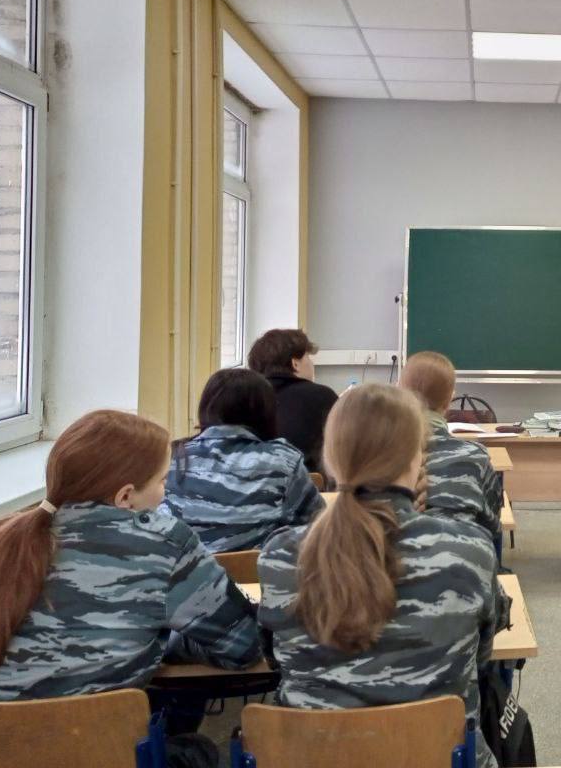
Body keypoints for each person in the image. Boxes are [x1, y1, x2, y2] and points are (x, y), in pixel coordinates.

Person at [0, 410, 261, 768]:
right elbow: (242, 646)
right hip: (96, 753)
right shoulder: (166, 543)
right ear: (125, 496)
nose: (164, 491)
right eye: (161, 481)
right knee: (197, 749)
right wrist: (159, 642)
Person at [257, 384, 499, 767]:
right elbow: (482, 655)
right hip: (437, 756)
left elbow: (273, 656)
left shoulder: (282, 556)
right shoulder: (469, 550)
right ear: (416, 458)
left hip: (311, 757)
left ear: (331, 459)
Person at [161, 368, 324, 553]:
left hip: (183, 568)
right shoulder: (283, 460)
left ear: (206, 407)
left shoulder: (173, 458)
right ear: (266, 411)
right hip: (258, 570)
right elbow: (317, 524)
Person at [398, 351, 502, 546]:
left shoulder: (380, 456)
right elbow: (493, 526)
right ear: (450, 399)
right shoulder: (476, 457)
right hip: (465, 557)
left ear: (399, 393)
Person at [248, 328, 338, 474]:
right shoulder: (322, 396)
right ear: (295, 364)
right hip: (308, 485)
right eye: (308, 358)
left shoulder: (244, 399)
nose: (312, 364)